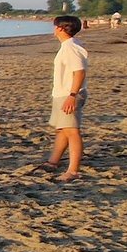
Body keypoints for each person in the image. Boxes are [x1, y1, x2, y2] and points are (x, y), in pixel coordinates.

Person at [46, 15, 89, 181]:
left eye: (55, 26)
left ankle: (73, 170)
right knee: (62, 129)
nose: (54, 29)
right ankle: (53, 161)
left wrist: (72, 95)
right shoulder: (69, 45)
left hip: (69, 93)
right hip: (62, 93)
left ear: (61, 28)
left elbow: (79, 72)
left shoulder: (70, 47)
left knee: (71, 130)